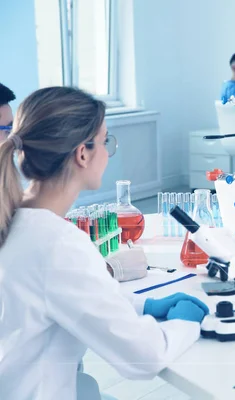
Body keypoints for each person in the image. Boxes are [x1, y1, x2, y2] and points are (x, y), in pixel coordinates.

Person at [0, 87, 210, 399]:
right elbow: (144, 358)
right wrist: (185, 323)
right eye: (105, 142)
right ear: (82, 154)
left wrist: (143, 305)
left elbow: (59, 298)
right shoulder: (57, 243)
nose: (107, 153)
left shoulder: (14, 216)